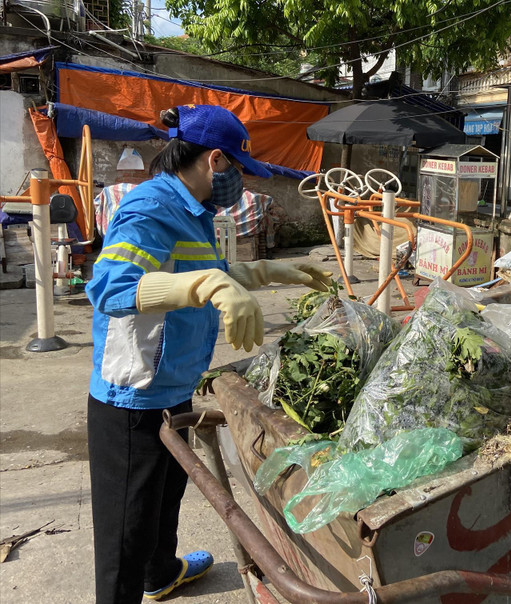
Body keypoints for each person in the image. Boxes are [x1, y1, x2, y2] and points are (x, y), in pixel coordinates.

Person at [86, 104, 332, 603]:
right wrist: (211, 281)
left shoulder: (196, 212)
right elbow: (111, 289)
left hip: (173, 385)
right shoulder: (151, 207)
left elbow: (201, 276)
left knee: (167, 495)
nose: (241, 181)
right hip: (133, 397)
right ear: (215, 160)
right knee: (125, 534)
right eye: (240, 168)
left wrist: (269, 274)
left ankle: (162, 574)